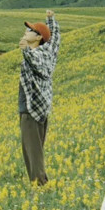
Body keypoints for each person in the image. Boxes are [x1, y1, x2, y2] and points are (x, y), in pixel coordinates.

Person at [18, 10, 60, 185]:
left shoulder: (37, 55)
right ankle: (39, 185)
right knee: (35, 151)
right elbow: (55, 39)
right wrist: (51, 21)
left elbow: (36, 64)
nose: (26, 31)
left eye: (30, 30)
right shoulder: (48, 51)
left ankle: (41, 188)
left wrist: (26, 51)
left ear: (37, 38)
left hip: (30, 111)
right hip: (40, 110)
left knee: (32, 153)